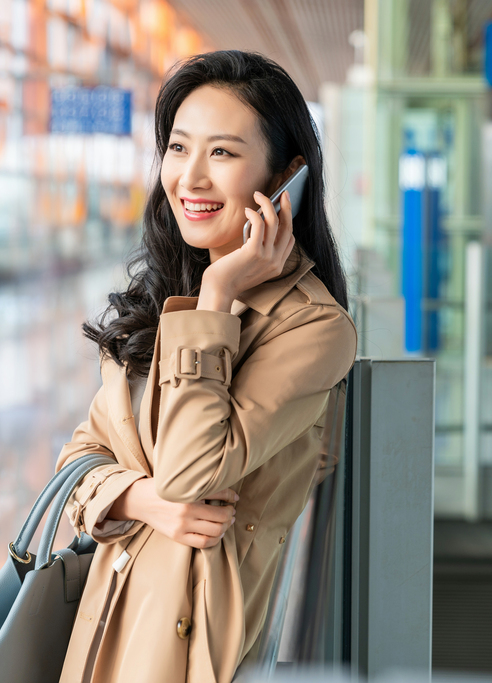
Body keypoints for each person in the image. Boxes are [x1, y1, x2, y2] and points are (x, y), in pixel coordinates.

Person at [54, 51, 357, 683]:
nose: (189, 177)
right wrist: (140, 499)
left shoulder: (312, 328)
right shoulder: (164, 295)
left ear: (287, 177)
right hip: (110, 618)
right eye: (177, 148)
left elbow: (192, 474)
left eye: (221, 153)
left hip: (188, 643)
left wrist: (219, 294)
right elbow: (79, 456)